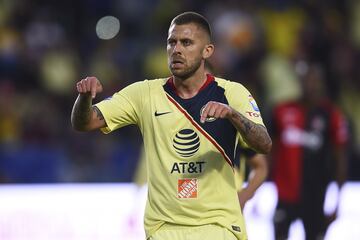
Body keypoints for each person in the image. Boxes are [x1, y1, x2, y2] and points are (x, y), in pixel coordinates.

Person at [71, 12, 272, 240]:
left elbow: (264, 144)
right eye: (171, 42)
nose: (176, 49)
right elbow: (84, 122)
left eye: (186, 43)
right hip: (163, 230)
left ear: (207, 51)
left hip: (218, 227)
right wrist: (84, 98)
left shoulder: (232, 93)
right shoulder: (144, 94)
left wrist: (233, 116)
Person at [269, 63, 348, 240]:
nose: (310, 85)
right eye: (306, 80)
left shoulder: (331, 115)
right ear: (300, 82)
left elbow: (340, 158)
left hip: (315, 196)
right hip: (284, 195)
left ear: (320, 83)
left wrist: (337, 203)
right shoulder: (282, 111)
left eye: (314, 80)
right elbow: (269, 153)